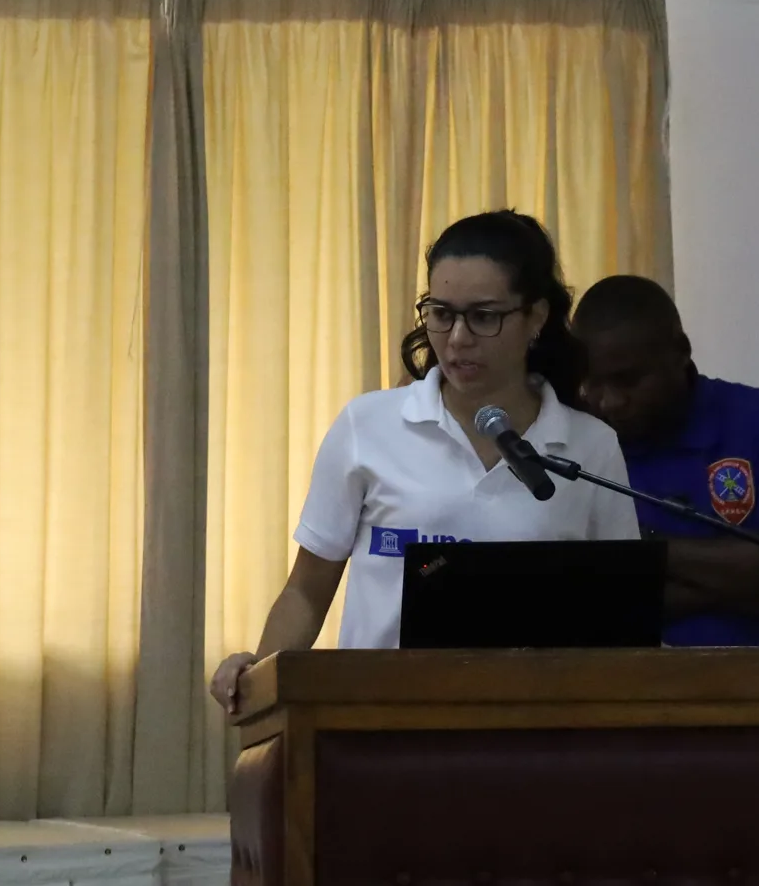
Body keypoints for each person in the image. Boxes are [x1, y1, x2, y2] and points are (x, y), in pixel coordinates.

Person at [209, 211, 639, 712]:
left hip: (533, 722)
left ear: (536, 318)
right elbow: (306, 591)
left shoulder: (589, 446)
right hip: (377, 720)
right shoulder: (368, 426)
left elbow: (621, 611)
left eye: (484, 317)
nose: (457, 338)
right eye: (441, 314)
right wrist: (259, 677)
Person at [573, 275, 759, 646]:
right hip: (611, 676)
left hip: (756, 676)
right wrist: (743, 586)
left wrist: (645, 550)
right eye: (592, 383)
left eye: (628, 381)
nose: (609, 401)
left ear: (681, 352)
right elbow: (577, 602)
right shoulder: (571, 439)